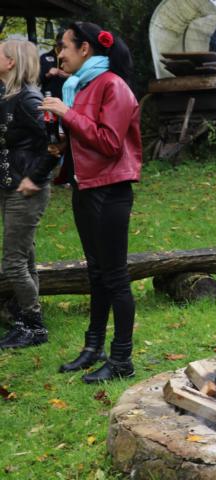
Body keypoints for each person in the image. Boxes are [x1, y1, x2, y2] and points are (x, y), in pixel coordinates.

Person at [40, 22, 142, 383]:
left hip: (110, 190)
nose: (59, 55)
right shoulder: (80, 85)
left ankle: (122, 360)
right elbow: (85, 136)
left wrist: (67, 114)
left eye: (63, 46)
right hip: (84, 187)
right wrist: (61, 142)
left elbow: (110, 143)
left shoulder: (113, 86)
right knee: (96, 273)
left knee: (115, 277)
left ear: (85, 49)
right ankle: (93, 346)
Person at [0, 40, 59, 350]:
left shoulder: (28, 98)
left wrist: (35, 178)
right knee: (25, 258)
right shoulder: (7, 94)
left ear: (11, 62)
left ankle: (34, 326)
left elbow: (55, 144)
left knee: (13, 263)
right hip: (10, 186)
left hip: (26, 190)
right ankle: (25, 319)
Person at [39, 31, 69, 99]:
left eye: (65, 46)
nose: (62, 47)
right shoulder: (45, 57)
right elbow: (37, 80)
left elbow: (80, 76)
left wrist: (68, 75)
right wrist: (48, 74)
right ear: (57, 42)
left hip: (67, 96)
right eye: (60, 44)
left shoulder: (73, 57)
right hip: (49, 96)